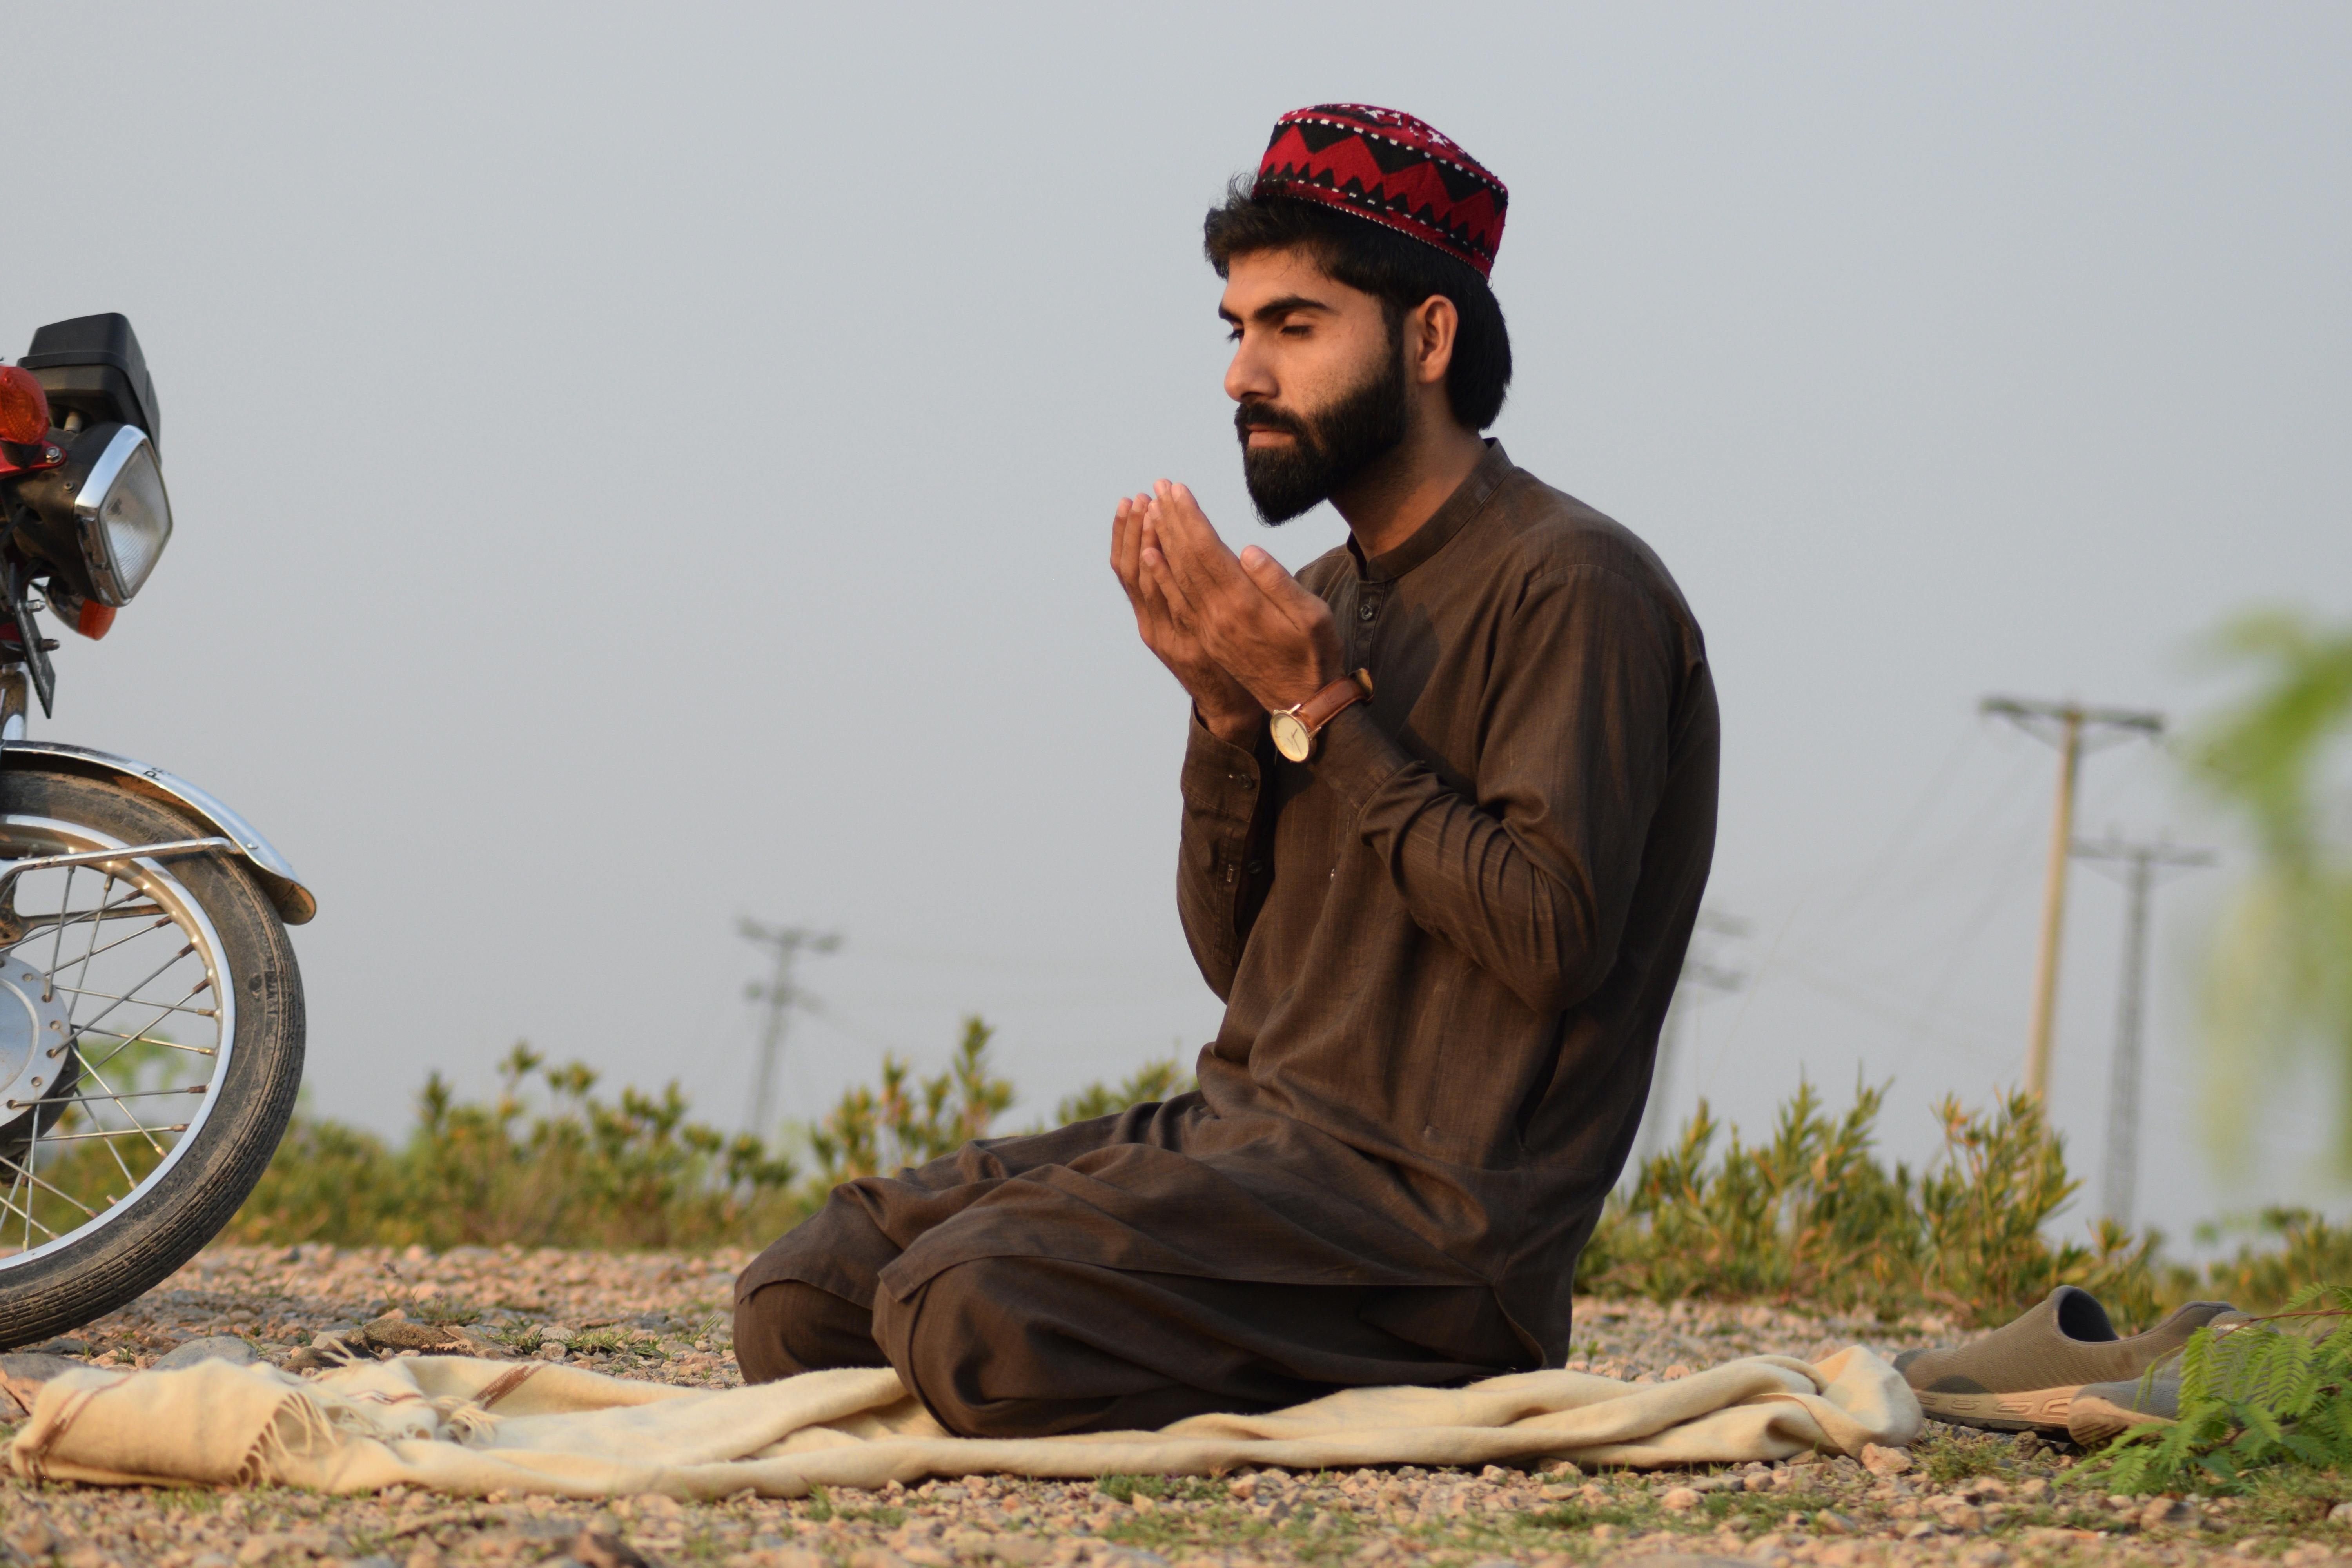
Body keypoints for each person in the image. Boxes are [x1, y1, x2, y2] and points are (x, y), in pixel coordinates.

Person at [733, 103, 1719, 1439]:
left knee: (965, 1303)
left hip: (1436, 1235)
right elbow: (1240, 966)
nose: (1242, 374)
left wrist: (1318, 704)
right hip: (1249, 1146)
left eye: (1294, 327)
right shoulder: (1316, 593)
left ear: (1428, 338)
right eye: (1236, 328)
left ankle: (1403, 1377)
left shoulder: (1574, 582)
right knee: (803, 1293)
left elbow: (1550, 939)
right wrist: (1225, 720)